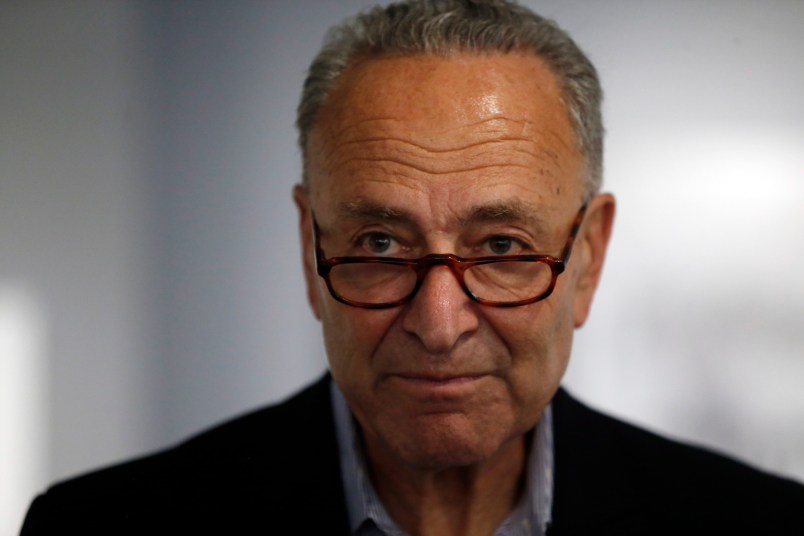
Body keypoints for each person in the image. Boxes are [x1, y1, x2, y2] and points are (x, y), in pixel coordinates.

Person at [20, 1, 804, 534]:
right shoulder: (105, 527)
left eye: (500, 247)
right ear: (309, 247)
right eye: (380, 246)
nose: (437, 326)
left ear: (588, 260)